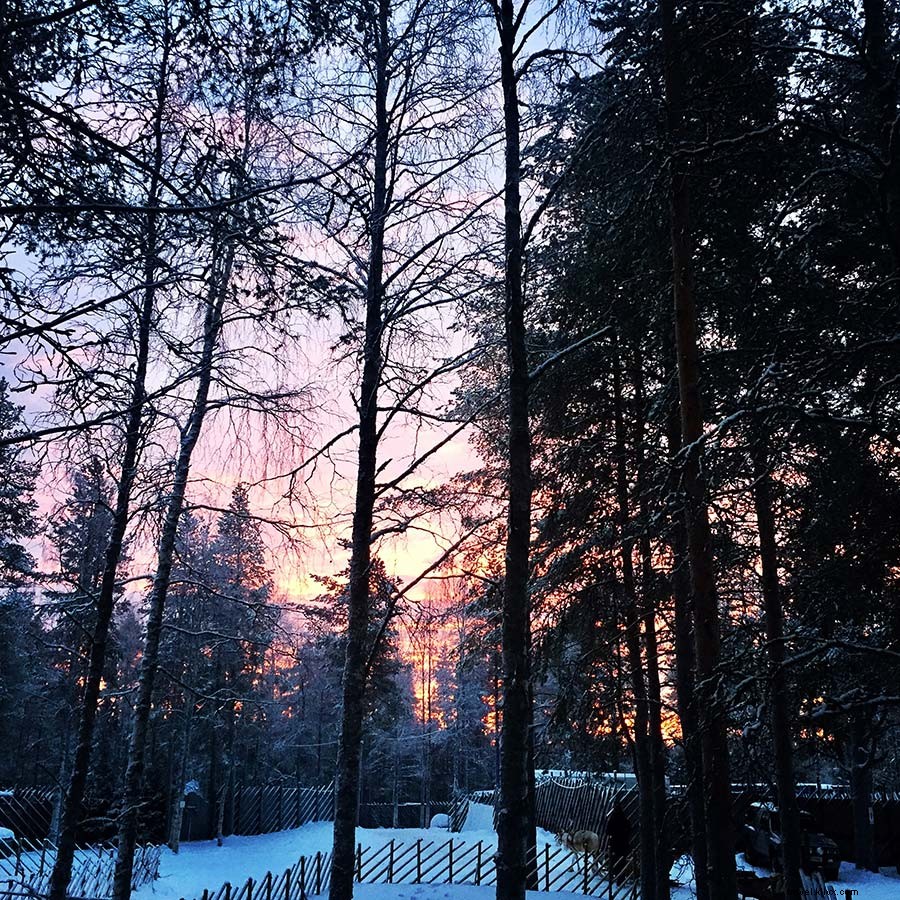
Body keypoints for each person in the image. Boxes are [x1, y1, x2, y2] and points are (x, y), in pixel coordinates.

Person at [606, 799, 631, 884]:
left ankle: (615, 875)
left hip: (615, 843)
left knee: (614, 859)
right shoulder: (623, 817)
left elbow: (608, 831)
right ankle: (621, 877)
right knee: (622, 860)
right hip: (623, 843)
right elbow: (629, 828)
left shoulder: (613, 818)